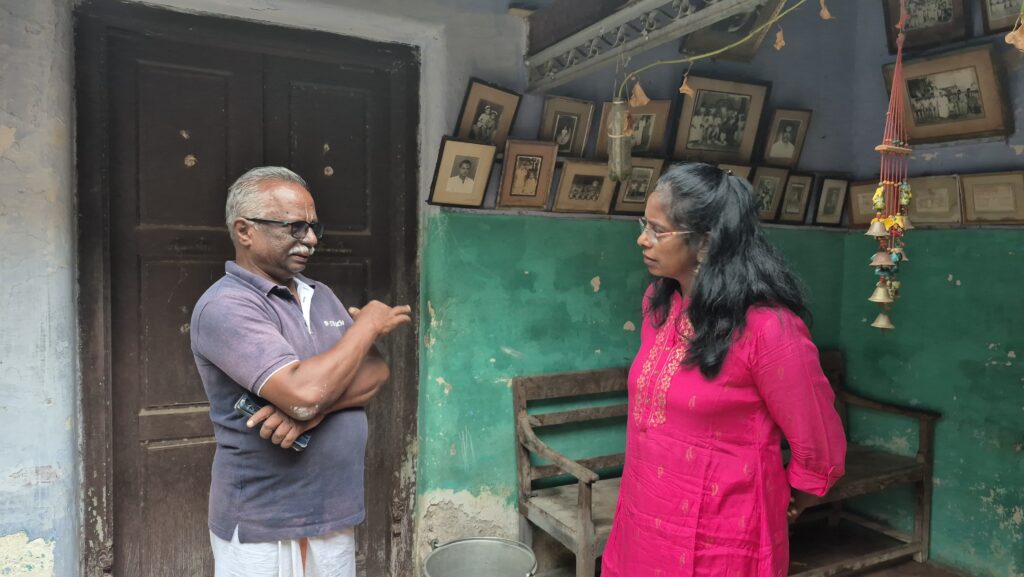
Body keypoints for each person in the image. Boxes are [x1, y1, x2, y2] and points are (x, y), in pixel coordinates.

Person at [602, 163, 847, 577]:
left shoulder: (769, 329)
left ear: (706, 242)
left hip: (723, 539)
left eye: (658, 231)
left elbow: (817, 443)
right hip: (643, 520)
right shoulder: (659, 305)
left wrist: (792, 497)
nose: (642, 239)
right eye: (644, 225)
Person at [190, 166, 412, 577]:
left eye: (313, 227)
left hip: (332, 512)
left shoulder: (319, 293)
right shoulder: (227, 305)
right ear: (244, 231)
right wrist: (367, 325)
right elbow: (304, 392)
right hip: (265, 521)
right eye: (295, 227)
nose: (310, 239)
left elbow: (375, 372)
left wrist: (314, 413)